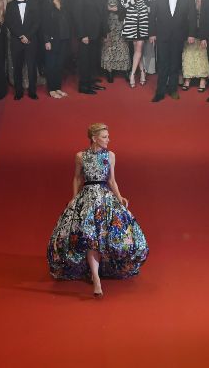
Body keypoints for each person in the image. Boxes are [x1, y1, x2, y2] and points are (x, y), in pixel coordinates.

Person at [47, 123, 149, 297]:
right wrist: (74, 198)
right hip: (86, 199)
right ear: (94, 138)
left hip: (105, 199)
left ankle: (100, 270)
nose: (108, 140)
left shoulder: (110, 155)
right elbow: (77, 178)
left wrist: (120, 197)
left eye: (108, 136)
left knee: (110, 234)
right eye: (105, 137)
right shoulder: (80, 156)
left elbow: (112, 180)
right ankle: (96, 278)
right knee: (90, 237)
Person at [148, 0, 197, 102]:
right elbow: (152, 14)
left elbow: (192, 14)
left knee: (175, 63)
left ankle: (173, 89)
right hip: (162, 33)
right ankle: (160, 92)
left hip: (179, 33)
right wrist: (152, 33)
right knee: (163, 63)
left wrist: (192, 33)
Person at [121, 0, 153, 88]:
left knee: (139, 47)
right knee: (137, 50)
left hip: (143, 21)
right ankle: (142, 71)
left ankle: (132, 74)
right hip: (131, 22)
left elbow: (151, 1)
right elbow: (124, 4)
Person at [41, 0, 71, 99]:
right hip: (52, 39)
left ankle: (58, 87)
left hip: (64, 38)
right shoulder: (46, 4)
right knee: (51, 65)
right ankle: (51, 89)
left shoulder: (65, 3)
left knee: (59, 64)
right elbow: (43, 24)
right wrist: (46, 40)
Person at [101, 0, 131, 83]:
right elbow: (100, 5)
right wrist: (107, 8)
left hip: (120, 21)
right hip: (108, 21)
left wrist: (118, 9)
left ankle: (126, 70)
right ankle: (109, 71)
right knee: (109, 44)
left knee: (122, 44)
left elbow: (127, 5)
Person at [182, 0, 209, 92]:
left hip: (204, 30)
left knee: (202, 54)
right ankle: (187, 78)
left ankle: (203, 79)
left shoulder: (208, 0)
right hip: (190, 30)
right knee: (188, 54)